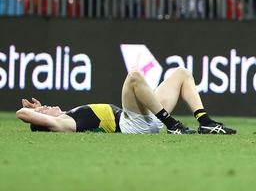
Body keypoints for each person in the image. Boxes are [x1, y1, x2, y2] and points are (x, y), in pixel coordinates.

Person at [16, 67, 236, 135]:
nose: (47, 106)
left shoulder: (66, 114)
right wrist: (38, 116)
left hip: (145, 118)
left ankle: (205, 121)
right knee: (134, 77)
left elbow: (37, 115)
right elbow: (21, 114)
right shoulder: (64, 124)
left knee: (182, 73)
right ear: (44, 122)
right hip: (131, 125)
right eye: (45, 110)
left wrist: (41, 111)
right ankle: (173, 125)